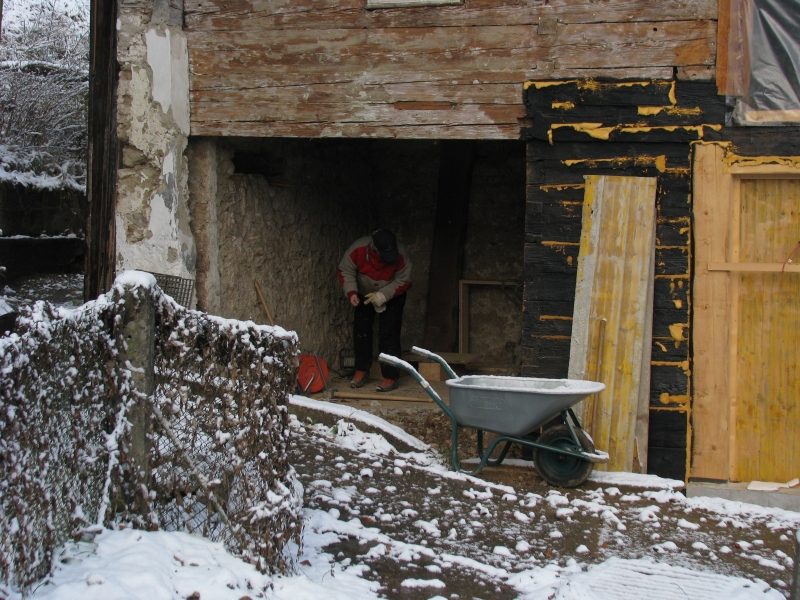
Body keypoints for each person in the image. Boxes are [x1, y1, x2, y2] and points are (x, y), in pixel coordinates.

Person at [337, 229, 412, 391]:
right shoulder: (358, 249)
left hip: (392, 294)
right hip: (364, 292)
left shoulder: (401, 255)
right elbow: (346, 270)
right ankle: (361, 369)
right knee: (361, 329)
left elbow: (404, 280)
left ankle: (390, 375)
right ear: (374, 249)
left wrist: (383, 295)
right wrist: (352, 292)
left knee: (389, 332)